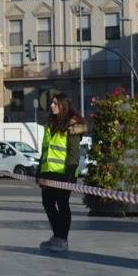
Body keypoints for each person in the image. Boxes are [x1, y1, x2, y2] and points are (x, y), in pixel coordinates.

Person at [37, 93, 86, 253]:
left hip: (63, 173)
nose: (51, 106)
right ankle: (57, 236)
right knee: (48, 203)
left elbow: (73, 154)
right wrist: (39, 172)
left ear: (64, 105)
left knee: (62, 204)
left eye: (55, 103)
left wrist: (70, 176)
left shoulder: (72, 125)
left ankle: (62, 239)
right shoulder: (50, 124)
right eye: (51, 103)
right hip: (48, 173)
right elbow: (45, 150)